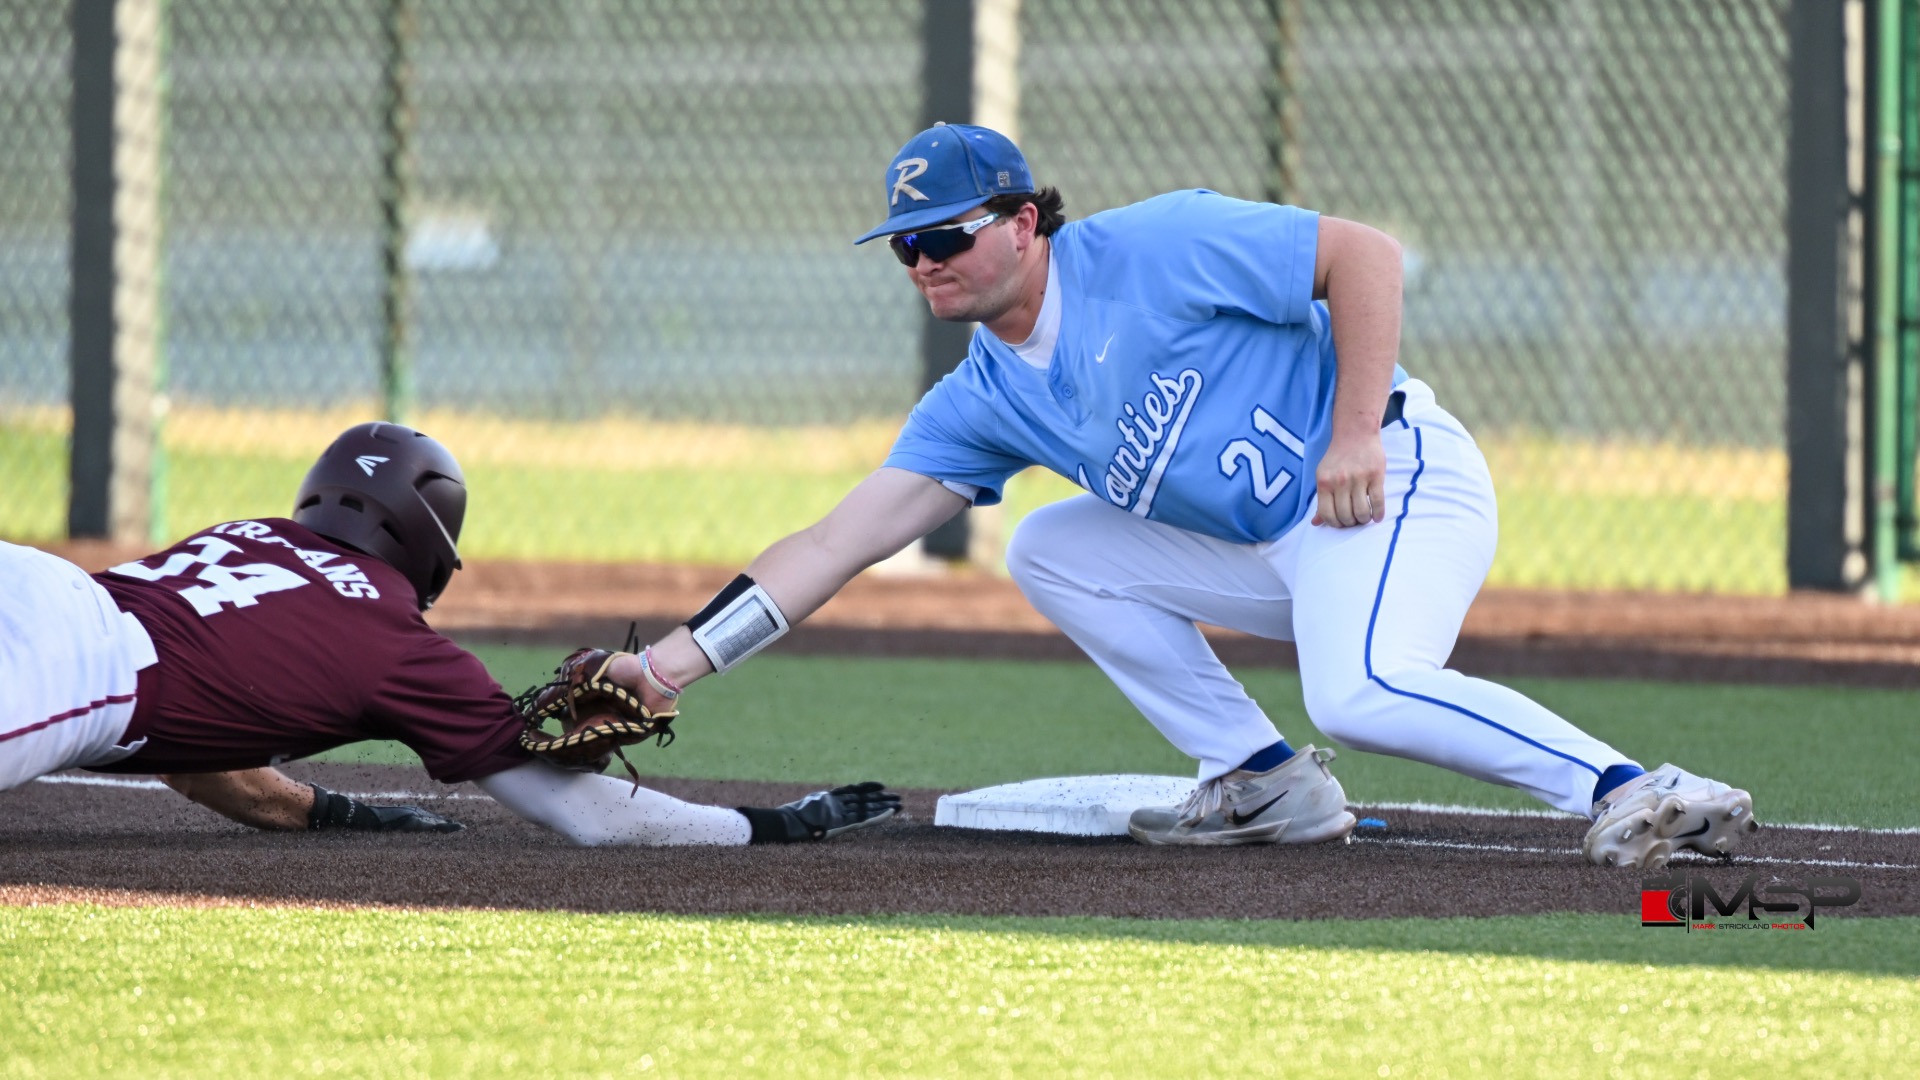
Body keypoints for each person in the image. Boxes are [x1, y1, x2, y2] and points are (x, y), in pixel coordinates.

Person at [617, 123, 1755, 871]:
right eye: (902, 248)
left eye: (942, 237)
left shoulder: (1152, 246)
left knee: (1359, 692)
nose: (921, 263)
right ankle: (1264, 780)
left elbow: (1363, 256)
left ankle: (1636, 787)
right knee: (1050, 546)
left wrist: (1354, 430)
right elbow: (834, 541)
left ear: (1022, 222)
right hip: (1270, 544)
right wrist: (667, 667)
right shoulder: (980, 400)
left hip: (1391, 480)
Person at [0, 422, 898, 846]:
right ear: (435, 540)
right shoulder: (403, 646)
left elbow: (201, 741)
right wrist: (763, 826)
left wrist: (329, 809)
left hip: (40, 582)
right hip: (77, 664)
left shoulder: (246, 536)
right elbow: (587, 817)